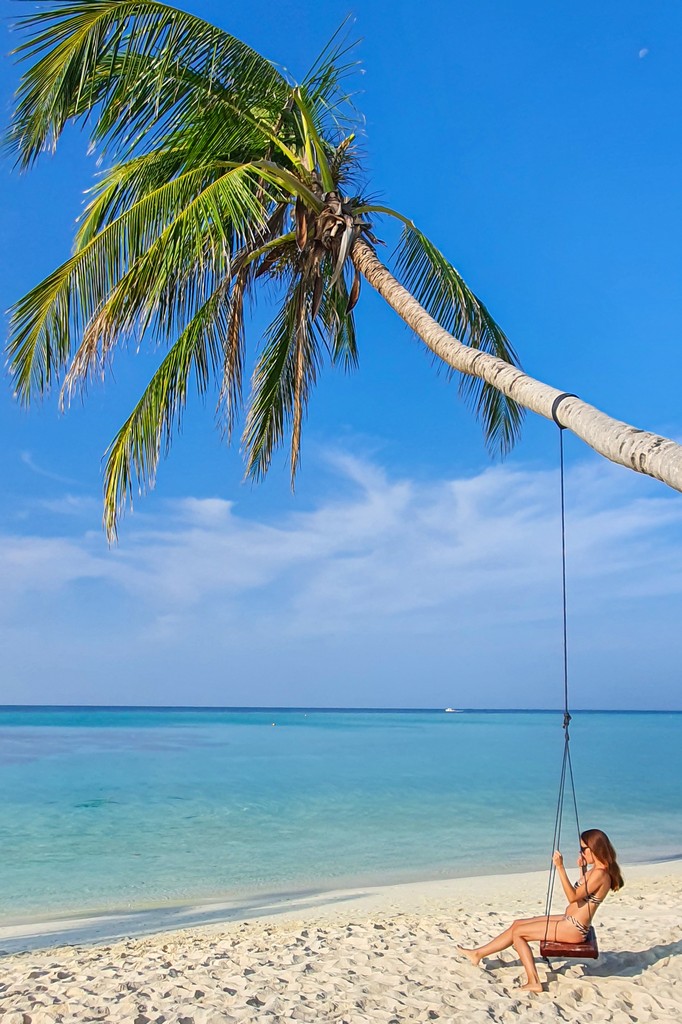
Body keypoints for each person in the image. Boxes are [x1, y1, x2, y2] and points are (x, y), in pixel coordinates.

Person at [457, 829, 624, 992]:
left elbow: (573, 897)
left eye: (583, 849)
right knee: (517, 924)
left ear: (594, 848)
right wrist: (582, 869)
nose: (581, 852)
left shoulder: (601, 874)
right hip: (568, 920)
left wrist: (560, 867)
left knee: (519, 934)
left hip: (573, 928)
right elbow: (585, 893)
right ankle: (477, 954)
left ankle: (534, 981)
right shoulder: (597, 869)